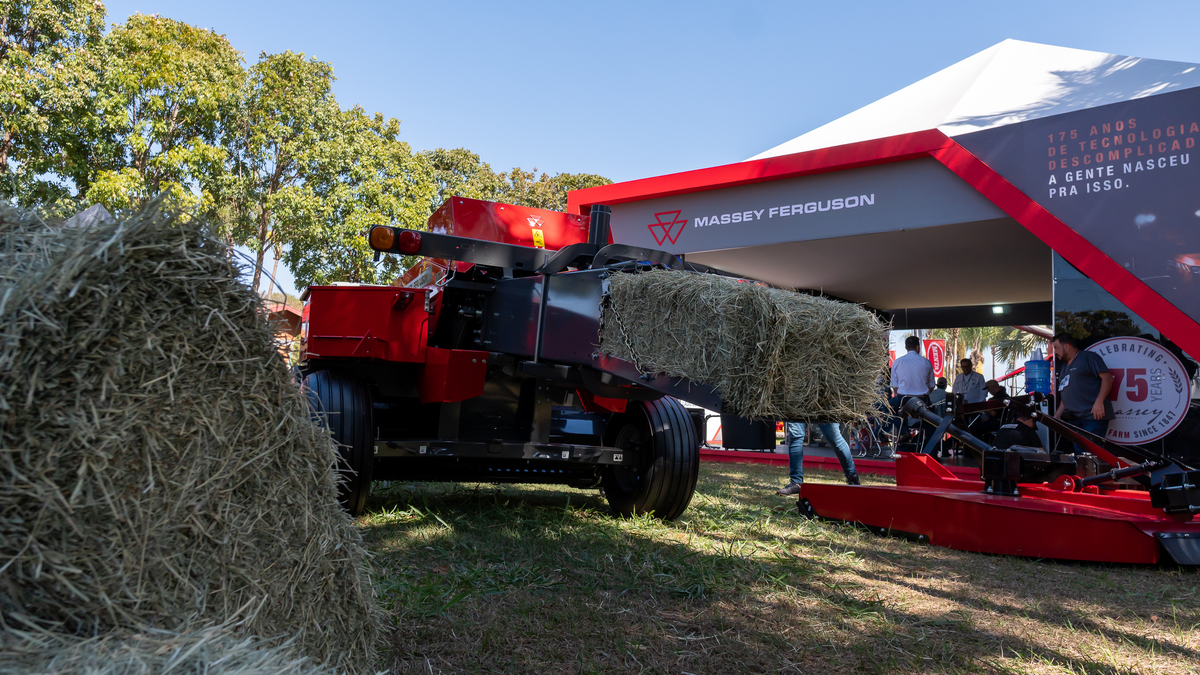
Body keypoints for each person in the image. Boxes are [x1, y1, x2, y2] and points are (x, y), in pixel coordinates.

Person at [1051, 332, 1114, 453]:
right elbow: (1066, 392)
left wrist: (1099, 402)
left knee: (1089, 453)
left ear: (1067, 346)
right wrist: (1058, 414)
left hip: (1092, 416)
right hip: (1075, 418)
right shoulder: (1064, 366)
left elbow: (1108, 378)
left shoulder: (1088, 357)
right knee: (1080, 452)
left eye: (1056, 348)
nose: (1055, 352)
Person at [776, 421, 860, 495]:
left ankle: (852, 476)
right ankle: (796, 482)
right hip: (799, 403)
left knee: (833, 437)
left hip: (825, 405)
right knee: (795, 436)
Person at [889, 335, 936, 443]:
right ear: (918, 347)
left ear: (906, 347)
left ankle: (904, 432)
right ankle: (930, 447)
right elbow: (932, 386)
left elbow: (895, 387)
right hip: (922, 400)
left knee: (887, 408)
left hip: (903, 399)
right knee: (932, 421)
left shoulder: (897, 362)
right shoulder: (926, 362)